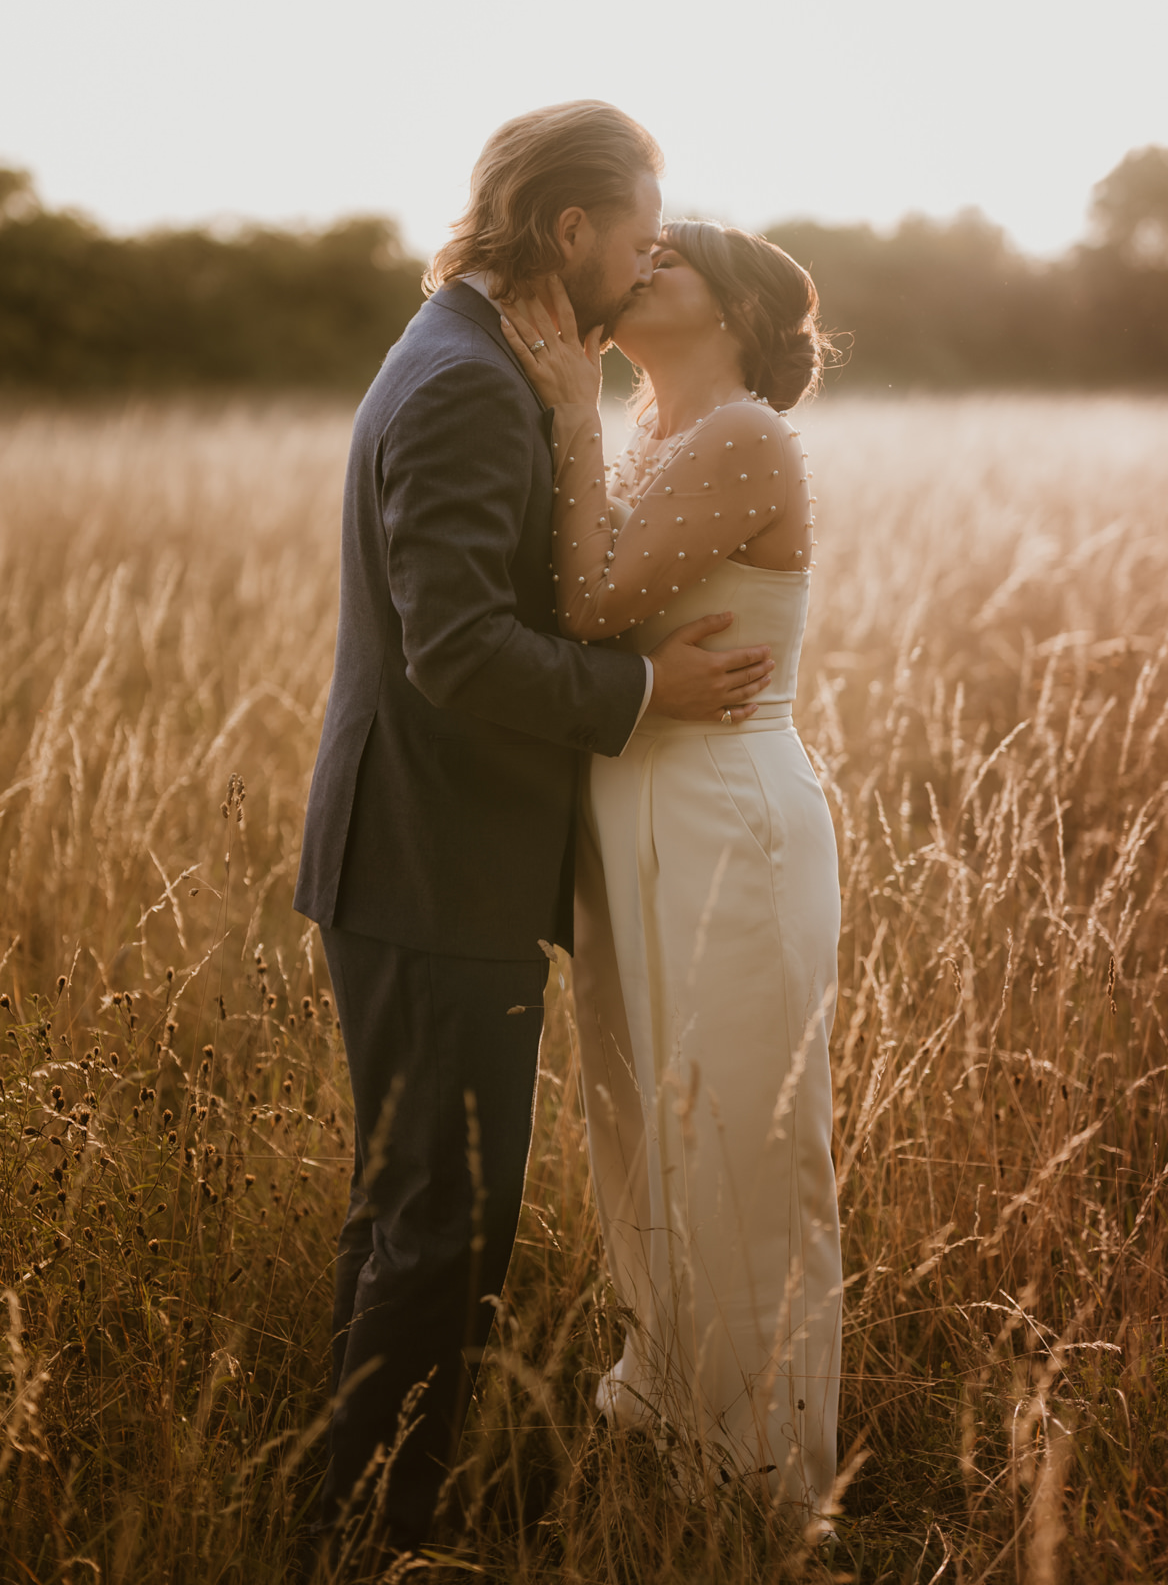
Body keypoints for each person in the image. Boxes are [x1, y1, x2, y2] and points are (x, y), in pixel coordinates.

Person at [292, 102, 777, 1555]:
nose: (648, 256)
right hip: (428, 862)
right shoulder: (462, 383)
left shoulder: (475, 352)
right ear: (569, 230)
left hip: (427, 856)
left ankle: (347, 1501)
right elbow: (455, 650)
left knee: (410, 1214)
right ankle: (373, 1532)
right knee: (443, 1229)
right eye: (637, 230)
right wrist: (644, 689)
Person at [500, 218, 843, 1525]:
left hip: (724, 813)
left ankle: (764, 1476)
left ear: (740, 310)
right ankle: (670, 1417)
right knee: (640, 1121)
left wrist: (571, 407)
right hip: (626, 803)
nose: (638, 268)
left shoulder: (745, 435)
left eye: (672, 259)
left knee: (740, 1140)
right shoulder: (652, 437)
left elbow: (584, 606)